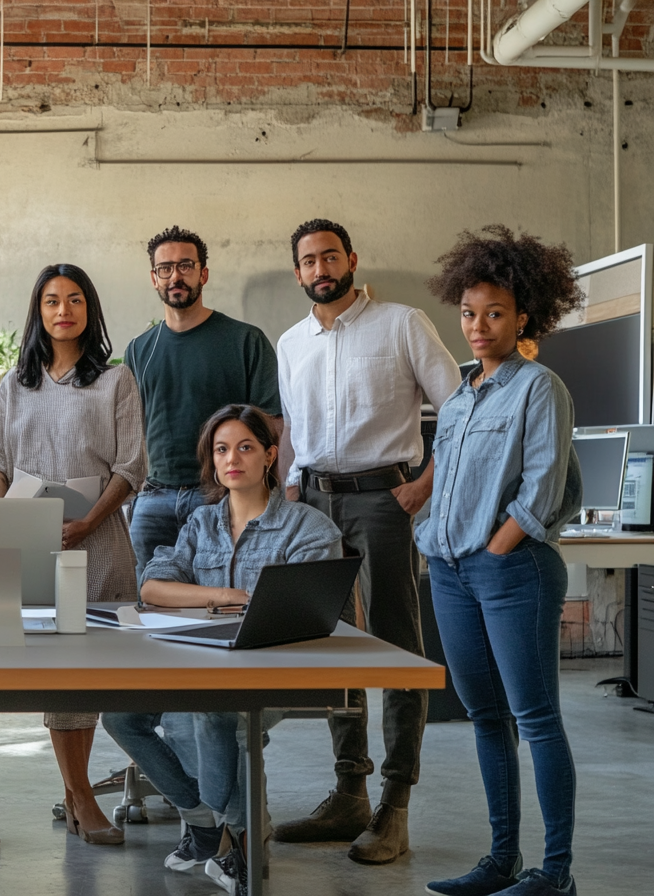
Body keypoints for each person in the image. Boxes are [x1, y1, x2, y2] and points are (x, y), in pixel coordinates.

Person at [274, 218, 461, 864]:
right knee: (330, 648)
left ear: (351, 260)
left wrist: (424, 485)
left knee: (397, 647)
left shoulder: (402, 324)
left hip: (384, 500)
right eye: (309, 261)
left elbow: (460, 410)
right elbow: (293, 429)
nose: (320, 269)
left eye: (330, 256)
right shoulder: (290, 342)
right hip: (314, 506)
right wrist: (291, 492)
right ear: (298, 272)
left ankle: (394, 805)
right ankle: (349, 792)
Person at [103, 404, 342, 893]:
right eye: (221, 449)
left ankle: (242, 841)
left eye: (245, 447)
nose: (232, 459)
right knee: (121, 716)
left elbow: (309, 614)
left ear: (270, 455)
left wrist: (213, 601)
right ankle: (208, 825)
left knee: (214, 716)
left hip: (276, 671)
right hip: (201, 666)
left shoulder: (309, 528)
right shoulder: (201, 524)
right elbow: (153, 586)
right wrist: (227, 596)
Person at [417, 226, 584, 896]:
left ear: (523, 317)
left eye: (494, 313)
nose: (478, 326)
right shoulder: (460, 395)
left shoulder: (540, 387)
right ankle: (501, 860)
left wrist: (495, 548)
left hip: (513, 572)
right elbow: (447, 482)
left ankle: (557, 873)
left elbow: (542, 489)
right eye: (468, 313)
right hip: (451, 572)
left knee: (536, 719)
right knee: (486, 718)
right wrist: (438, 542)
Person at [0, 264, 146, 845]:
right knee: (58, 672)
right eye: (52, 301)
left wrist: (89, 521)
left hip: (97, 539)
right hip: (34, 542)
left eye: (75, 300)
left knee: (91, 671)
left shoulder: (116, 381)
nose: (63, 311)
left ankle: (77, 792)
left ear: (89, 310)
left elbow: (131, 465)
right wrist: (8, 519)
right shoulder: (14, 384)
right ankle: (80, 794)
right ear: (39, 311)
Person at [124, 225, 283, 583]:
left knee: (223, 595)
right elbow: (131, 429)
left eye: (185, 265)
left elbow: (272, 423)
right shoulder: (138, 349)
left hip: (221, 496)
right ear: (154, 278)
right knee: (150, 597)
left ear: (203, 274)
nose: (175, 276)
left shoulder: (245, 340)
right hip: (155, 499)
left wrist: (268, 491)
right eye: (165, 268)